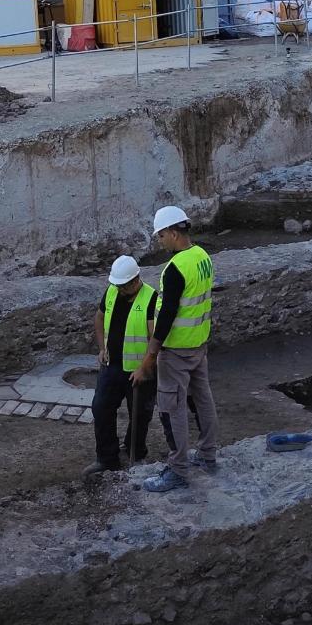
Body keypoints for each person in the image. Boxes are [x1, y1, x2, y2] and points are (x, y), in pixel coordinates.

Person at [135, 206, 219, 493]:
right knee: (203, 398)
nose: (159, 240)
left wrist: (151, 355)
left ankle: (178, 469)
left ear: (173, 233)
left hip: (176, 349)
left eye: (161, 235)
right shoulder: (202, 257)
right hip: (198, 343)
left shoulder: (175, 269)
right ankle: (208, 455)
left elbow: (168, 313)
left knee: (172, 409)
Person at [84, 255, 158, 475]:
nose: (119, 289)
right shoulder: (112, 292)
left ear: (135, 281)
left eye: (123, 286)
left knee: (140, 414)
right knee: (101, 408)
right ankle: (107, 458)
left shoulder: (151, 299)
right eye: (116, 285)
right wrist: (101, 348)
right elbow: (98, 318)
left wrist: (144, 368)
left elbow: (156, 339)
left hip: (140, 371)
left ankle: (136, 453)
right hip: (112, 366)